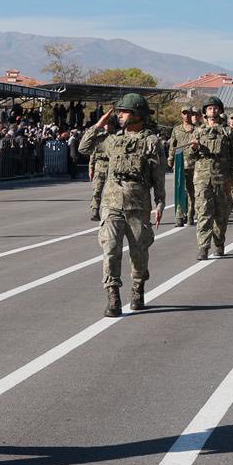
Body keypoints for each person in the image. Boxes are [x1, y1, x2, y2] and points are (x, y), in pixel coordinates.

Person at [76, 92, 165, 318]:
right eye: (120, 112)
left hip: (138, 205)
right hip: (112, 203)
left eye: (125, 112)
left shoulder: (151, 142)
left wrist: (160, 202)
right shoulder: (113, 140)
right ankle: (113, 295)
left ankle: (138, 288)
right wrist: (98, 124)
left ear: (138, 115)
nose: (120, 115)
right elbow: (84, 148)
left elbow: (158, 175)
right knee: (111, 249)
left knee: (139, 253)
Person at [187, 96, 233, 258]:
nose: (213, 110)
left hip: (222, 177)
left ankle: (219, 243)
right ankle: (203, 247)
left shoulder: (229, 132)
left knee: (221, 213)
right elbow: (190, 157)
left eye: (215, 108)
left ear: (220, 110)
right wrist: (194, 148)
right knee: (203, 212)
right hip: (202, 178)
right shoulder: (198, 132)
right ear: (205, 111)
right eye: (210, 108)